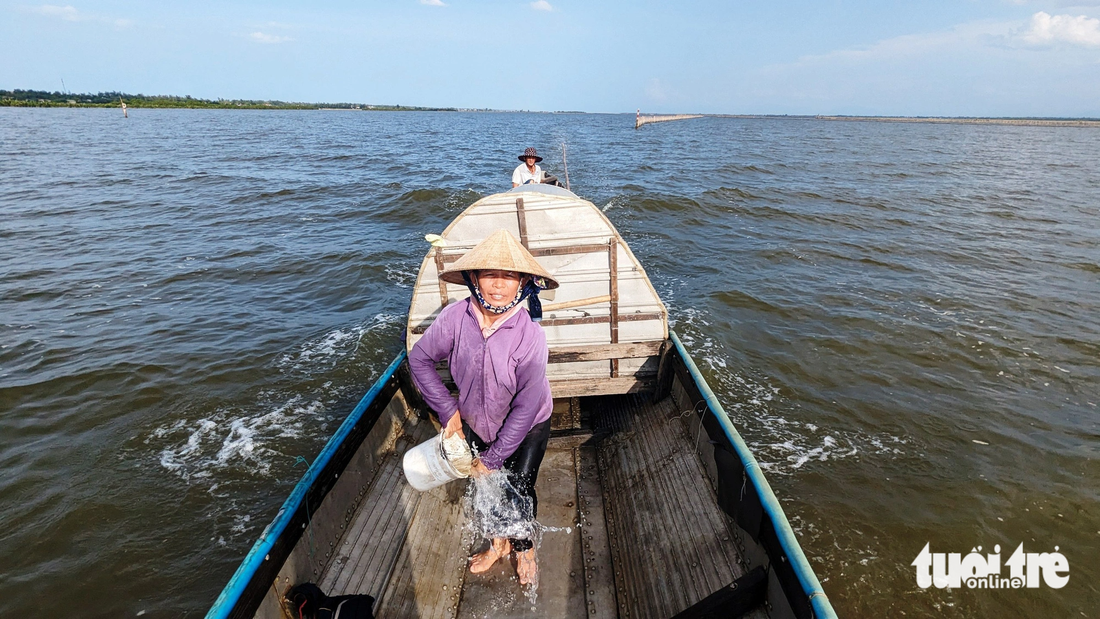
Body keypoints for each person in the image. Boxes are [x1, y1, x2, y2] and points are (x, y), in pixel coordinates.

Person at [408, 229, 559, 586]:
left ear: (523, 283)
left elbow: (526, 405)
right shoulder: (454, 318)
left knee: (519, 487)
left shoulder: (531, 337)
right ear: (473, 279)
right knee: (484, 491)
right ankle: (497, 543)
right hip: (474, 419)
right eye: (490, 275)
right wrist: (449, 412)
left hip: (529, 426)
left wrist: (492, 460)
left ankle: (525, 549)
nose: (498, 286)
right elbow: (420, 359)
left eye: (509, 276)